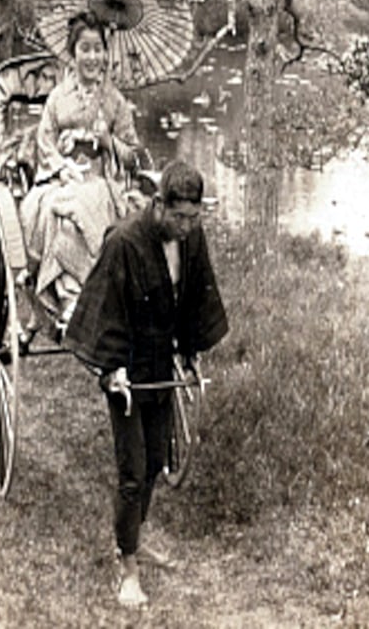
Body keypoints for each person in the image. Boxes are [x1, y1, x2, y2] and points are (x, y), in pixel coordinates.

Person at [63, 160, 229, 610]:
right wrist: (112, 369)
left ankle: (130, 538)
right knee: (133, 470)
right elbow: (106, 310)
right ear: (159, 205)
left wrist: (191, 350)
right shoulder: (124, 242)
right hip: (127, 368)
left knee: (156, 459)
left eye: (195, 218)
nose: (186, 226)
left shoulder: (190, 240)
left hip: (161, 364)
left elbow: (195, 298)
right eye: (178, 217)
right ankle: (128, 570)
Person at [19, 10, 142, 329]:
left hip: (102, 181)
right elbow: (44, 143)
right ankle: (64, 295)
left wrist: (108, 140)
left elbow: (133, 157)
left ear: (105, 53)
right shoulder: (57, 99)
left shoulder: (115, 101)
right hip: (61, 177)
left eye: (98, 49)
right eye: (84, 49)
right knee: (52, 208)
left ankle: (86, 295)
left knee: (88, 202)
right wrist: (61, 167)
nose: (91, 57)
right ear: (72, 55)